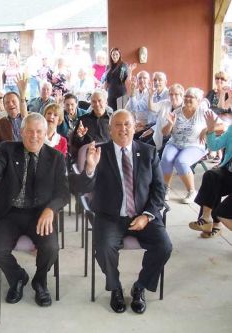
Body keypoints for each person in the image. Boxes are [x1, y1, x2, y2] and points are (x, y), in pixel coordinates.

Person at [0, 112, 69, 307]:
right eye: (29, 131)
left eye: (39, 132)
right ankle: (17, 278)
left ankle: (40, 281)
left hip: (39, 214)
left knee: (51, 248)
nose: (34, 136)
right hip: (9, 213)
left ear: (45, 134)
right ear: (21, 133)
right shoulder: (8, 149)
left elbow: (63, 193)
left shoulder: (56, 157)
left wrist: (50, 210)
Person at [78, 109, 172, 314]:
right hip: (110, 216)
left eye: (127, 124)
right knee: (103, 247)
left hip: (143, 215)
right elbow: (82, 189)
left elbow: (159, 189)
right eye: (117, 125)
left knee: (164, 246)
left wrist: (147, 216)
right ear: (110, 129)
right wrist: (90, 168)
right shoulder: (99, 152)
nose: (123, 129)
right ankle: (115, 287)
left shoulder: (148, 152)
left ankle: (140, 287)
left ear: (135, 126)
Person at [160, 88, 223, 204]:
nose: (188, 99)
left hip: (195, 145)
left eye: (191, 97)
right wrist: (170, 124)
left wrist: (207, 129)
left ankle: (191, 191)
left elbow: (222, 126)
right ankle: (165, 189)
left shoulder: (203, 112)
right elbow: (164, 133)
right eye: (186, 96)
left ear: (198, 100)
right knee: (166, 159)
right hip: (175, 143)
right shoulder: (176, 112)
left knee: (181, 161)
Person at [189, 111, 231, 238]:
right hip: (229, 172)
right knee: (211, 176)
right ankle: (207, 219)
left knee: (222, 212)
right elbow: (214, 146)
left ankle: (216, 223)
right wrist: (211, 130)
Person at [0, 75, 29, 154]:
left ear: (19, 103)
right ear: (4, 107)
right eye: (7, 103)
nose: (11, 104)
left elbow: (25, 116)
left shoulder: (29, 118)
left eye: (13, 101)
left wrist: (22, 94)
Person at [71, 89, 111, 155]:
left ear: (106, 102)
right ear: (91, 104)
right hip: (88, 154)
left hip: (108, 155)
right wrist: (80, 136)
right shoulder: (83, 120)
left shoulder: (112, 119)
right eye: (94, 102)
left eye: (99, 101)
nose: (97, 104)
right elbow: (74, 144)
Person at [146, 84, 185, 154]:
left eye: (176, 94)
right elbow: (151, 108)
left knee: (160, 158)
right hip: (158, 137)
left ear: (182, 95)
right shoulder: (165, 103)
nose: (173, 97)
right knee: (144, 151)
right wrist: (150, 96)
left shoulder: (185, 109)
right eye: (171, 94)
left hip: (173, 142)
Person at [126, 71, 153, 138]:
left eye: (144, 78)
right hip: (136, 124)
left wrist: (144, 125)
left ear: (149, 80)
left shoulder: (152, 93)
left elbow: (137, 107)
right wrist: (133, 124)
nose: (142, 80)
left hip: (148, 124)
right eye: (140, 78)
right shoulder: (134, 92)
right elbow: (128, 110)